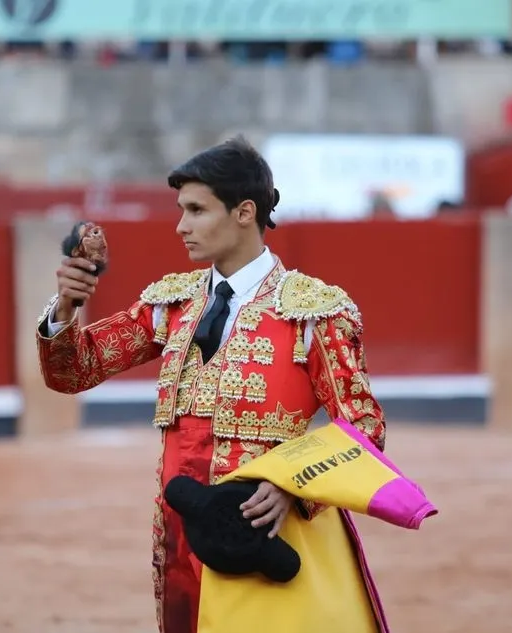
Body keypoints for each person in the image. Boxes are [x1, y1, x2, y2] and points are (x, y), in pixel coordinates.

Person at [36, 136, 389, 633]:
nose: (181, 226)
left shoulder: (314, 311)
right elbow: (75, 370)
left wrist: (293, 488)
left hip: (267, 532)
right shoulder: (173, 304)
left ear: (245, 212)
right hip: (180, 536)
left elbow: (364, 426)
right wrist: (67, 309)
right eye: (182, 210)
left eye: (197, 210)